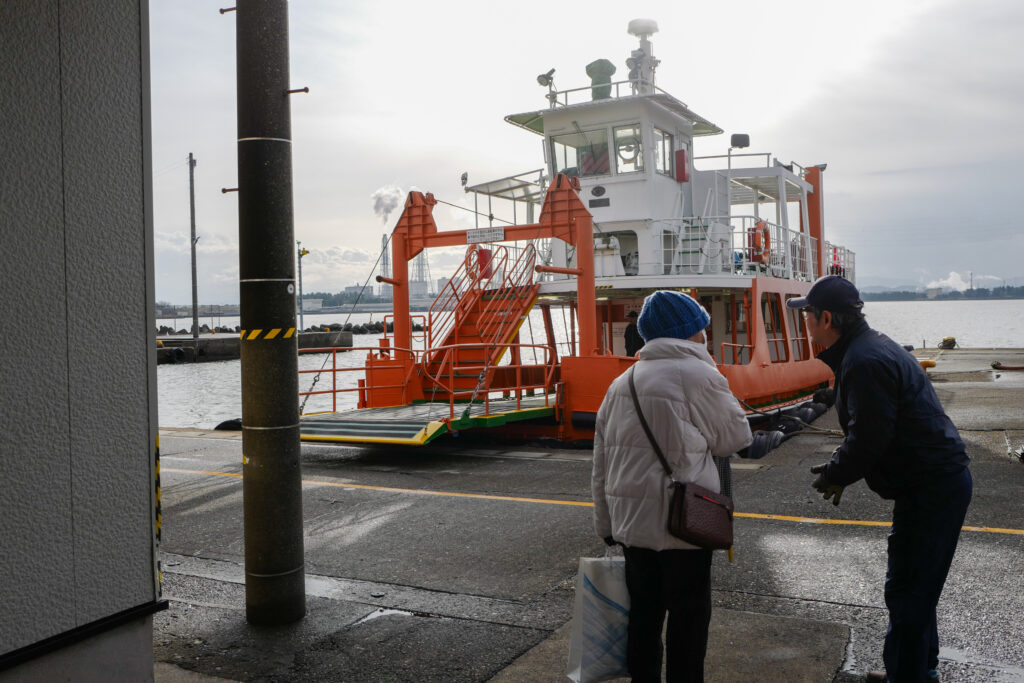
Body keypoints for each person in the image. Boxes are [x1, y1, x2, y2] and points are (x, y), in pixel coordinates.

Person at [787, 275, 972, 683]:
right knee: (917, 587)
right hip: (932, 482)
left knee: (907, 591)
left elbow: (870, 436)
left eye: (807, 316)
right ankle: (917, 669)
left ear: (827, 318)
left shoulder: (864, 361)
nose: (805, 324)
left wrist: (835, 474)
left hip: (932, 487)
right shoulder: (870, 348)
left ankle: (906, 676)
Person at [592, 291, 753, 682]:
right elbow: (734, 439)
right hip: (685, 525)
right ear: (689, 331)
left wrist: (606, 526)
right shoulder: (699, 375)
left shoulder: (621, 383)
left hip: (632, 528)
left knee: (643, 621)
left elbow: (600, 464)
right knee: (688, 623)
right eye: (701, 326)